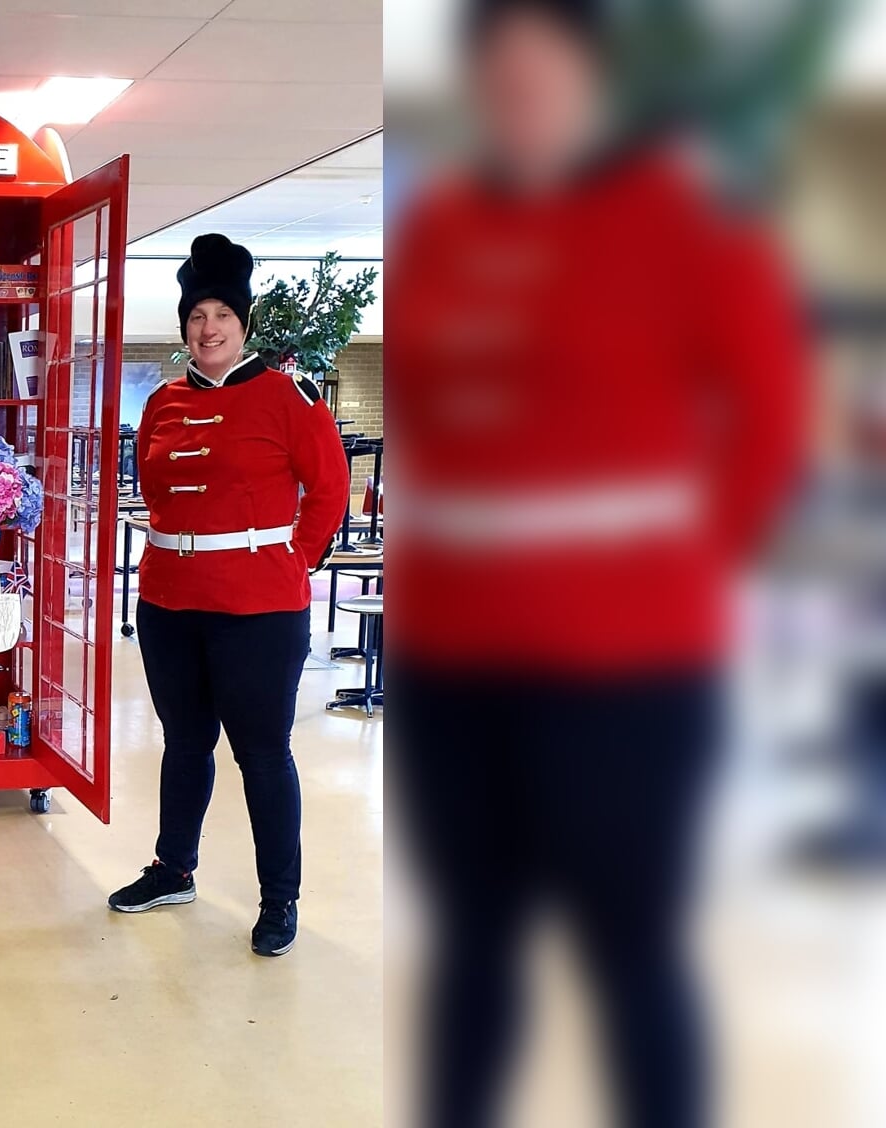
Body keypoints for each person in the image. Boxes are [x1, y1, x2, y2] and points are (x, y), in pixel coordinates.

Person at [387, 0, 805, 1123]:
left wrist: (680, 571)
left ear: (596, 77)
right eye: (501, 74)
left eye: (547, 69)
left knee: (631, 949)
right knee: (472, 942)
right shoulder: (443, 229)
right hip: (459, 670)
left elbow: (771, 420)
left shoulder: (689, 220)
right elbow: (431, 416)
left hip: (628, 673)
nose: (522, 95)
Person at [105, 234, 350, 959]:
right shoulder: (163, 403)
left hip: (261, 612)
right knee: (184, 743)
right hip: (170, 603)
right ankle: (173, 867)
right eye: (196, 314)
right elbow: (155, 491)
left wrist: (290, 564)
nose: (207, 328)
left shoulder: (290, 396)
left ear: (244, 322)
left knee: (264, 754)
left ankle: (280, 899)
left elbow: (330, 490)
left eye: (221, 313)